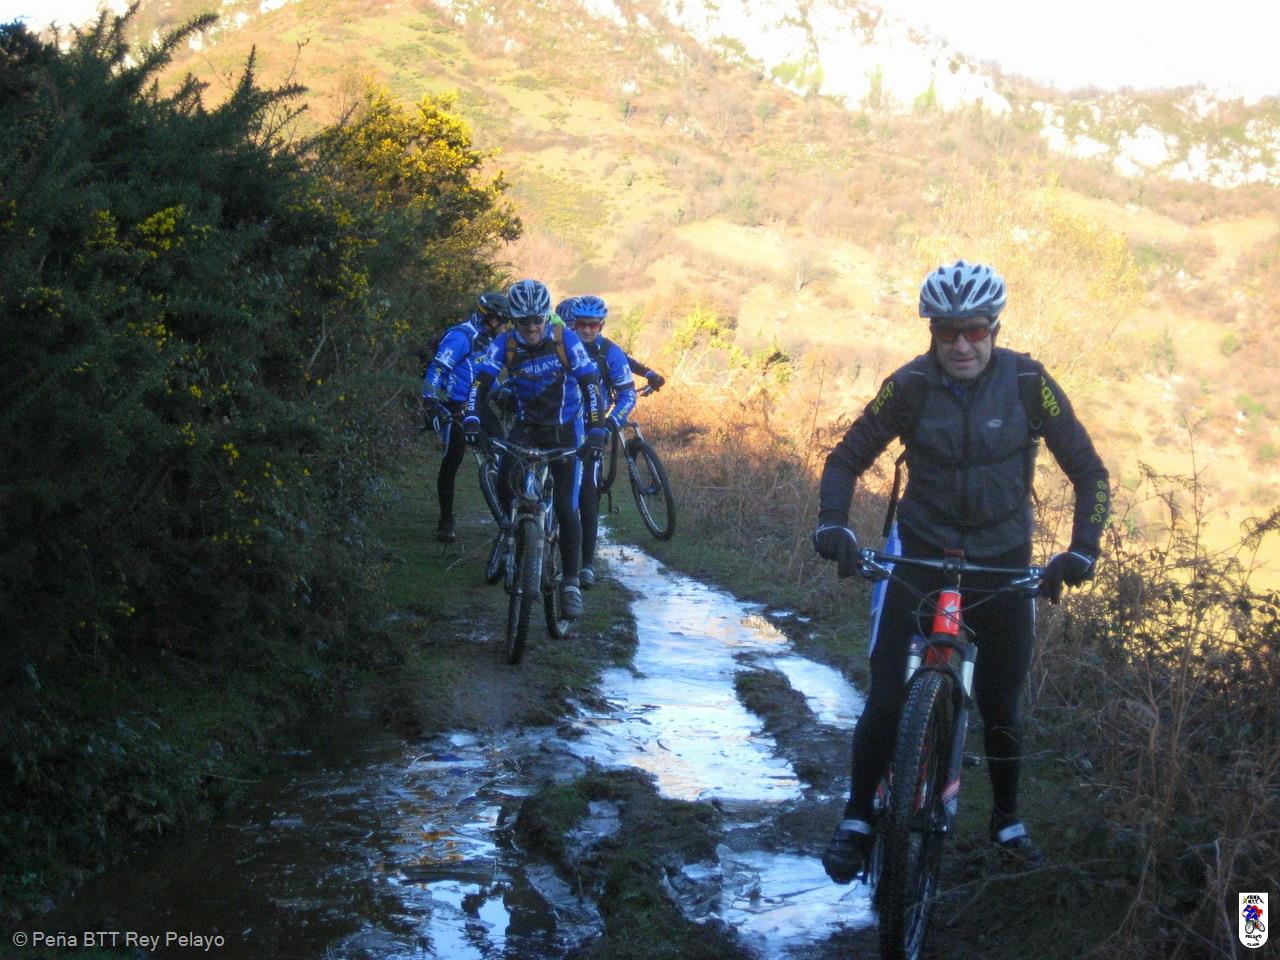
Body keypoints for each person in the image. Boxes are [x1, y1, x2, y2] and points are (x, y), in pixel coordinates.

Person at [812, 259, 1110, 880]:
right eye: (947, 331)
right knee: (887, 693)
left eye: (974, 330)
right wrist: (834, 524)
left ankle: (1006, 821)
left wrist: (1082, 548)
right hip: (919, 555)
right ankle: (858, 817)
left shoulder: (1029, 382)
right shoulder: (910, 385)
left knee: (1001, 705)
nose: (961, 345)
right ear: (932, 332)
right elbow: (845, 459)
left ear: (994, 328)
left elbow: (1089, 472)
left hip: (1003, 563)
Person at [463, 279, 606, 619]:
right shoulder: (505, 343)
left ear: (546, 316)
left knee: (568, 507)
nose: (531, 327)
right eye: (523, 321)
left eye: (537, 320)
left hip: (565, 429)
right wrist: (471, 418)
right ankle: (509, 533)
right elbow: (480, 384)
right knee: (504, 481)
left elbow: (590, 384)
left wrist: (596, 429)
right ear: (513, 320)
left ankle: (570, 583)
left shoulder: (565, 339)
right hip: (526, 427)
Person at [422, 292, 511, 543]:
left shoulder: (489, 339)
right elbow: (438, 368)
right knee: (452, 461)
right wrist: (430, 401)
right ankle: (446, 520)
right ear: (492, 319)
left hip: (477, 403)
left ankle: (508, 512)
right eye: (504, 321)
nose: (505, 327)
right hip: (454, 406)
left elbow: (481, 372)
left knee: (504, 451)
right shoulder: (460, 337)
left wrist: (501, 391)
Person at [563, 295, 638, 589]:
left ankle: (586, 564)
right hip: (558, 426)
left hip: (591, 431)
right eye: (581, 324)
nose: (586, 329)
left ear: (601, 325)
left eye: (593, 325)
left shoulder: (611, 353)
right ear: (574, 323)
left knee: (587, 495)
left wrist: (610, 423)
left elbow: (628, 395)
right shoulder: (560, 346)